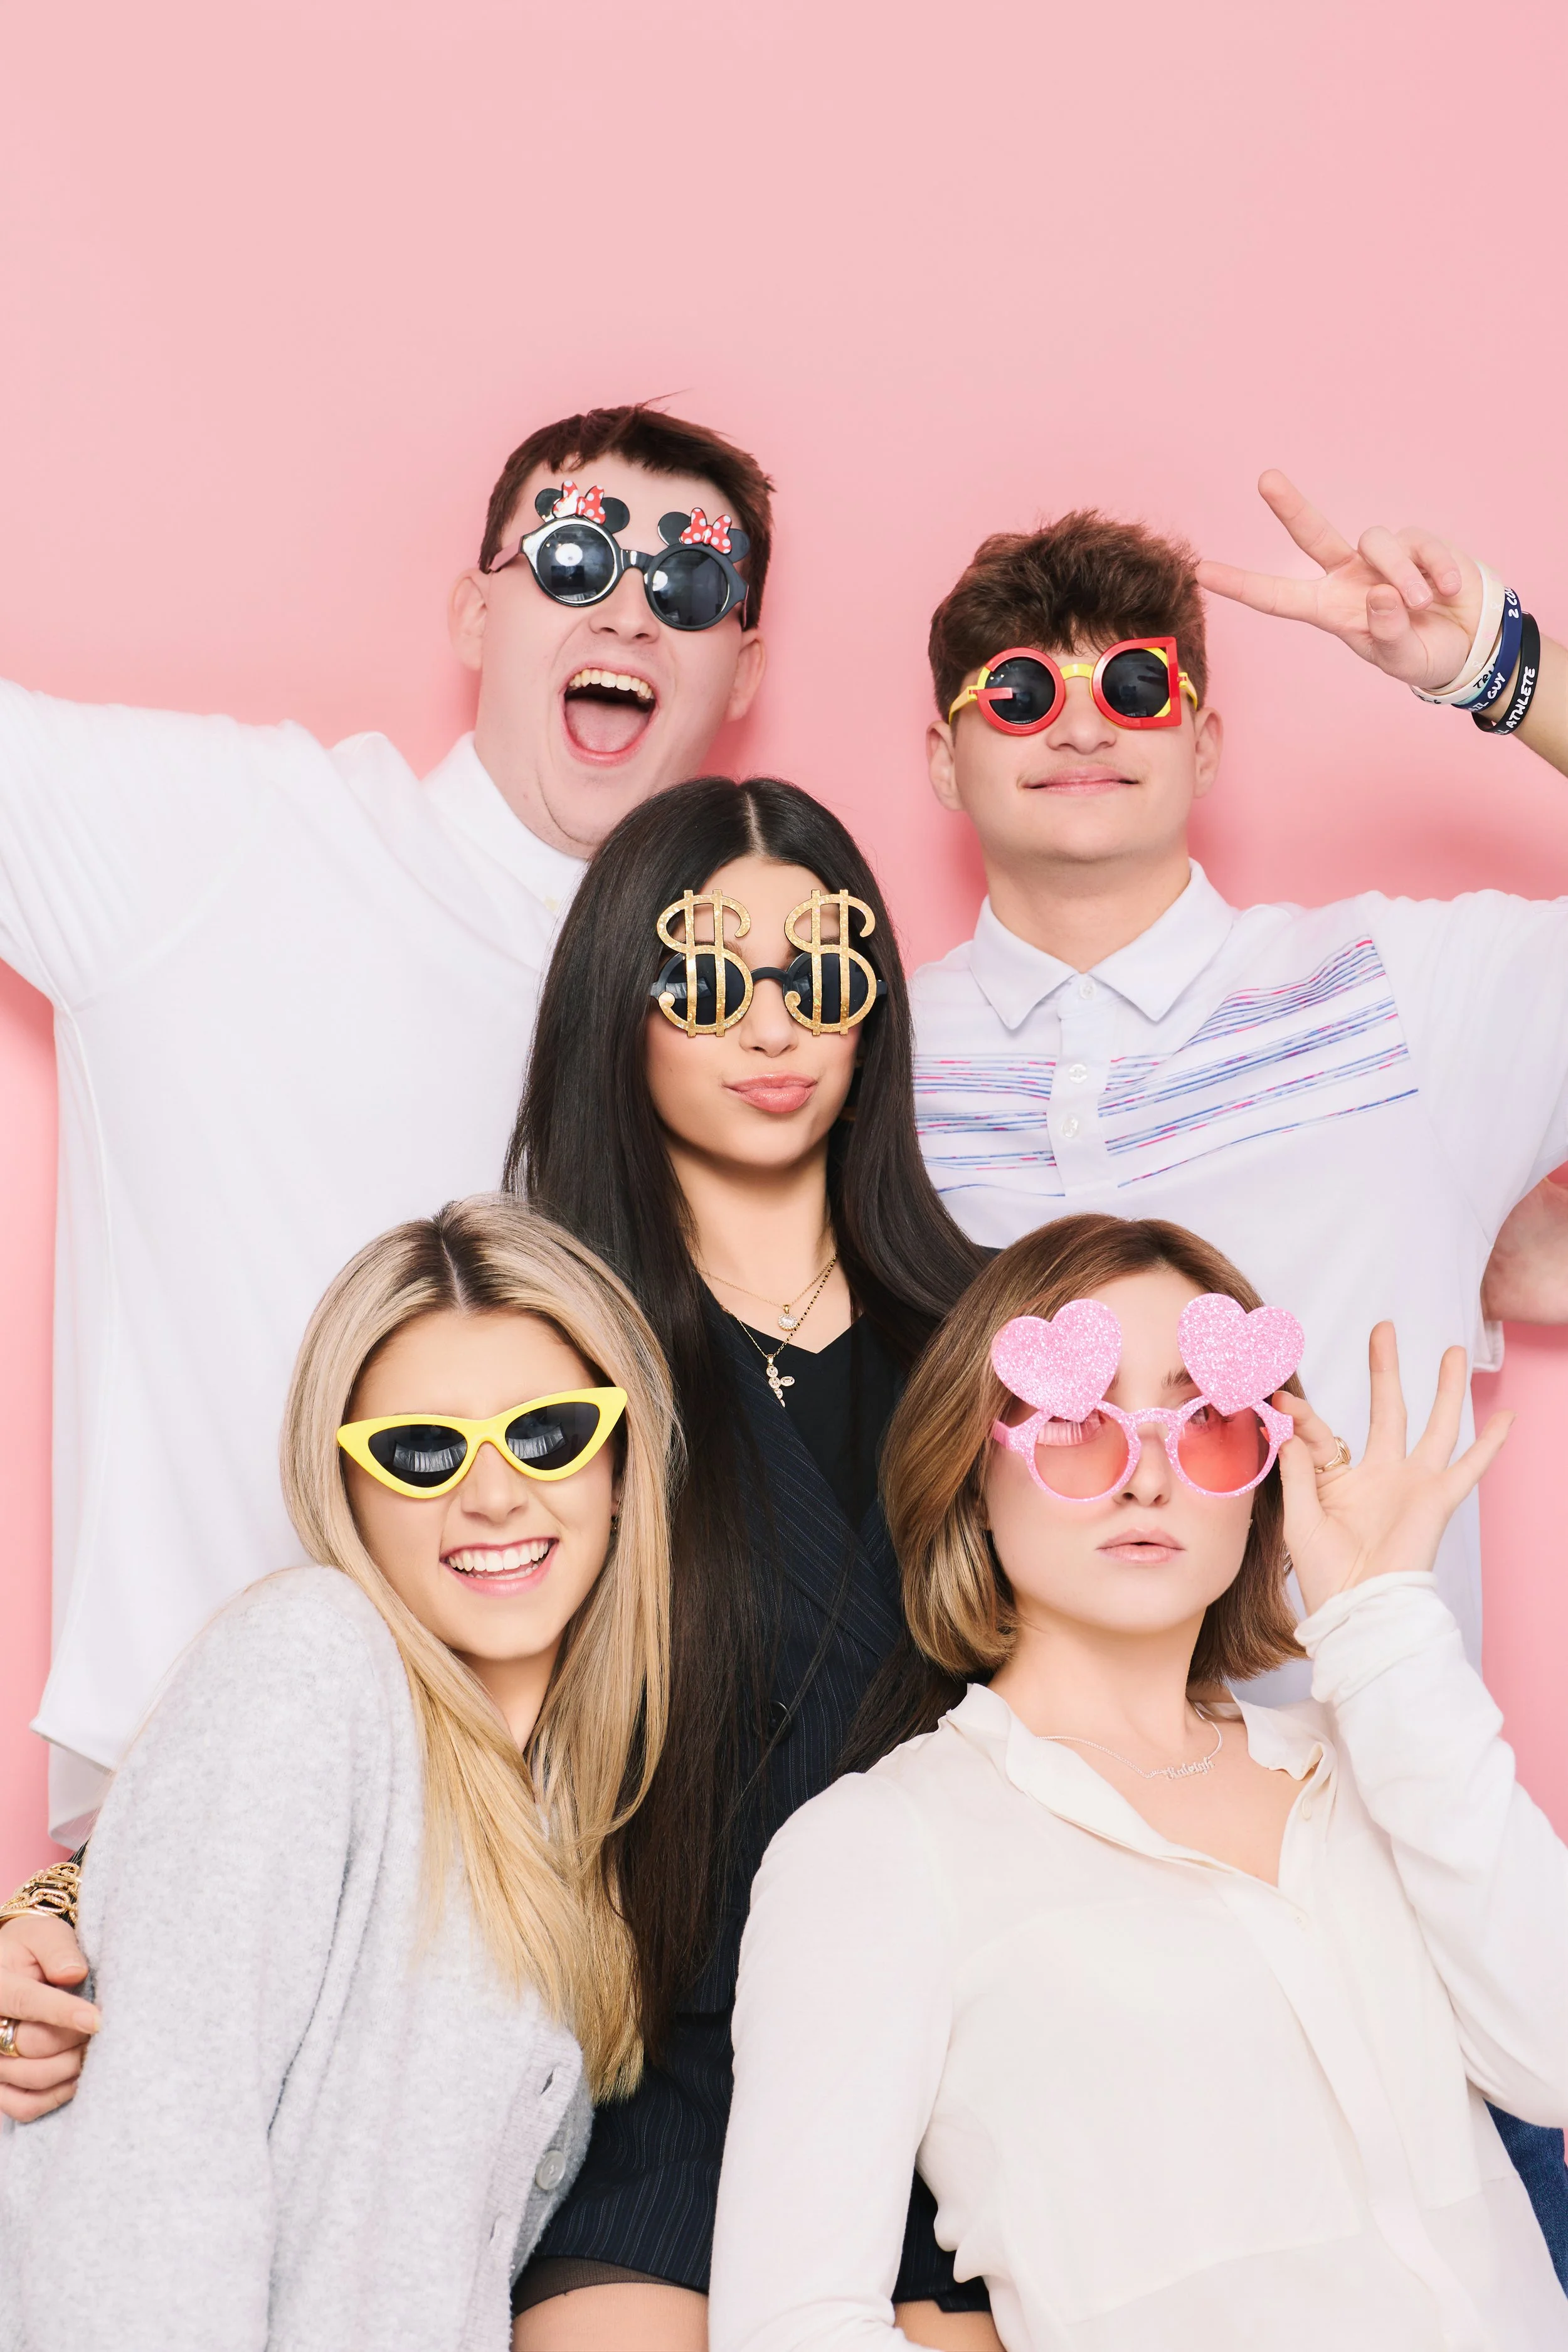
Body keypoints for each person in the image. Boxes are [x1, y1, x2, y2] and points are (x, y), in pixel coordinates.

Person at [0, 398, 770, 1844]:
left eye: (689, 586)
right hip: (225, 1804)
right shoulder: (233, 845)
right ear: (474, 611)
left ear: (742, 666)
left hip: (595, 1840)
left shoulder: (766, 1020)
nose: (627, 613)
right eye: (569, 560)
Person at [711, 1213, 1568, 2350]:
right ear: (973, 1463)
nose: (1148, 1473)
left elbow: (1551, 2059)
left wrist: (1383, 1623)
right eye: (1075, 1421)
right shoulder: (879, 1849)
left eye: (1210, 1421)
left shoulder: (1376, 1756)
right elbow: (792, 2324)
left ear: (1267, 1476)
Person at [913, 475, 1568, 1681]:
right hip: (998, 1812)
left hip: (1368, 1806)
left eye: (1135, 686)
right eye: (1016, 693)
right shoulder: (859, 1049)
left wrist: (1496, 665)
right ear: (944, 761)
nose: (1081, 728)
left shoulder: (1396, 990)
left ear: (1204, 744)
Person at [0, 1195, 677, 2346]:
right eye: (421, 1451)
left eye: (549, 1430)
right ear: (348, 1489)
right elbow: (151, 2189)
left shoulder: (583, 1804)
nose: (496, 1493)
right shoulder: (311, 1660)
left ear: (619, 1458)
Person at [504, 778, 993, 2348]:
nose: (770, 1029)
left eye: (821, 977)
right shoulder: (535, 1354)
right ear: (613, 1010)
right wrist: (61, 1884)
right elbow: (387, 1690)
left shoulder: (1002, 1347)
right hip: (659, 2086)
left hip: (968, 2092)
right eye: (705, 978)